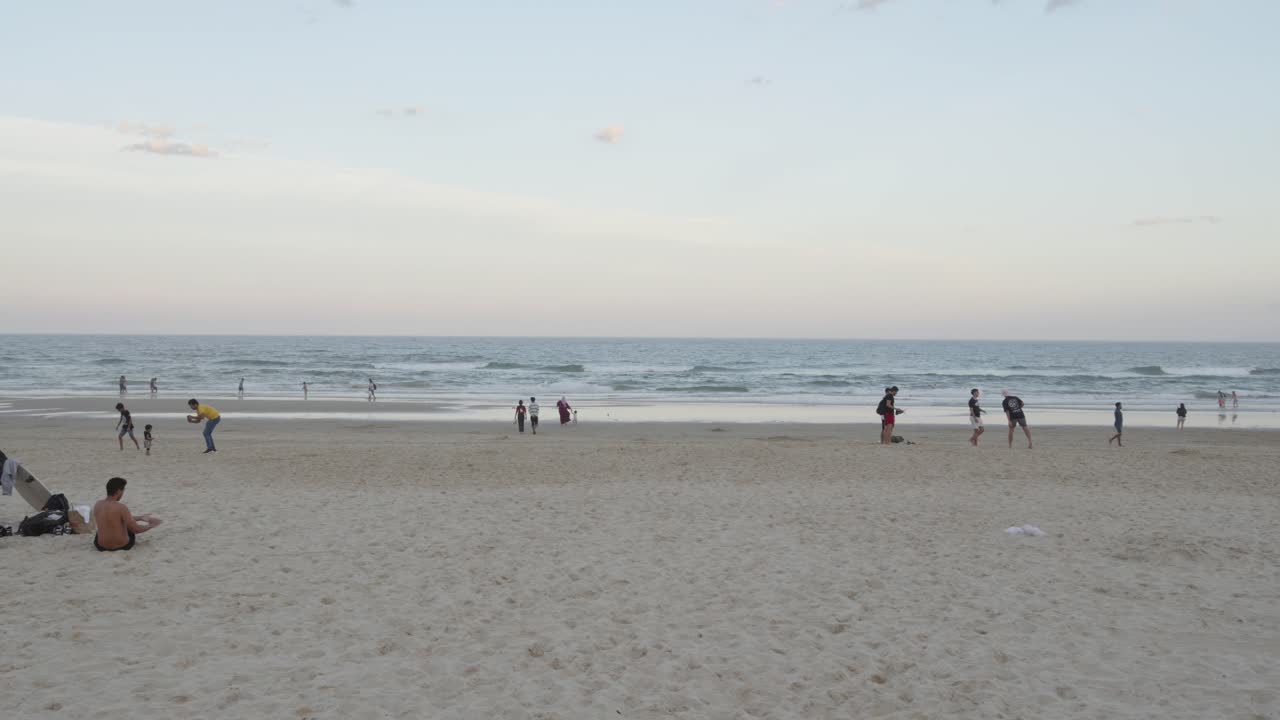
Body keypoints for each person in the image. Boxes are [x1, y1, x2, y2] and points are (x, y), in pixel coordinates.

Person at [92, 476, 161, 551]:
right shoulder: (121, 507)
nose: (123, 493)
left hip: (101, 546)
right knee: (128, 527)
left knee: (103, 527)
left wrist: (140, 518)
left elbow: (115, 518)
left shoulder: (97, 505)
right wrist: (151, 525)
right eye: (123, 490)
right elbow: (136, 529)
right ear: (118, 491)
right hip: (122, 546)